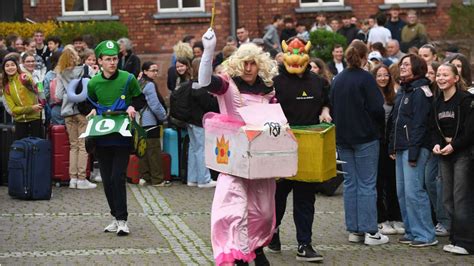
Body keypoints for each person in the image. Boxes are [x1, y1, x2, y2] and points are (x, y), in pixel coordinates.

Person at [198, 28, 278, 265]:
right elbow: (203, 81)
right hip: (233, 159)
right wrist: (208, 51)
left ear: (259, 64)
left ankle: (256, 247)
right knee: (232, 209)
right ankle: (238, 253)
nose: (248, 68)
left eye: (253, 63)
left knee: (263, 213)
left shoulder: (268, 90)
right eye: (244, 63)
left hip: (260, 160)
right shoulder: (226, 86)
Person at [268, 37, 331, 262]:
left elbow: (328, 99)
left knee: (305, 199)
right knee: (278, 197)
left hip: (309, 149)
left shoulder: (318, 82)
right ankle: (272, 234)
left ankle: (305, 244)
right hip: (281, 147)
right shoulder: (274, 83)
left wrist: (325, 109)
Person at [330, 40, 388, 246]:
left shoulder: (338, 79)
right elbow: (377, 108)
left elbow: (332, 107)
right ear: (364, 58)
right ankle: (370, 231)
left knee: (351, 184)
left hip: (343, 138)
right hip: (365, 138)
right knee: (366, 184)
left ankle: (354, 230)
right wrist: (379, 128)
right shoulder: (366, 78)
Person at [86, 40, 145, 236]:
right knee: (107, 179)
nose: (112, 62)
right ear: (100, 61)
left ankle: (122, 219)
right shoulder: (94, 82)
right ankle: (114, 216)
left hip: (122, 135)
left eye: (115, 58)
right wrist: (92, 110)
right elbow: (88, 103)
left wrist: (132, 106)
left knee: (117, 177)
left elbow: (140, 99)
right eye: (108, 59)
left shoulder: (128, 78)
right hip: (102, 137)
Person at [388, 54, 438, 247]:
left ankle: (425, 234)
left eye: (407, 64)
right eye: (402, 64)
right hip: (401, 147)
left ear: (417, 67)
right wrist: (393, 145)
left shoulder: (421, 92)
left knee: (414, 191)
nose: (402, 67)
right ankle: (411, 230)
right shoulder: (403, 90)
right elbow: (395, 121)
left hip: (414, 148)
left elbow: (420, 124)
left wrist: (415, 152)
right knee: (403, 192)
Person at [432, 63, 474, 255]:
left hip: (462, 153)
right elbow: (432, 129)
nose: (440, 78)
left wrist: (454, 145)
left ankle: (467, 243)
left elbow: (470, 131)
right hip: (444, 154)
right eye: (438, 74)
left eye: (445, 75)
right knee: (447, 198)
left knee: (461, 198)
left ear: (456, 78)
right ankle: (456, 238)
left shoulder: (466, 100)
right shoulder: (437, 102)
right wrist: (436, 144)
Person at [55, 46, 96, 190]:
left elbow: (58, 95)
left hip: (68, 112)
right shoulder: (86, 69)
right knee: (82, 145)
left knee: (73, 146)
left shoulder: (61, 73)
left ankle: (72, 179)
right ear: (76, 57)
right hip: (83, 112)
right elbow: (94, 87)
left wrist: (69, 95)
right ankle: (82, 179)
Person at [371, 65, 404, 235]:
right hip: (375, 143)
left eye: (385, 75)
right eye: (379, 75)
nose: (383, 78)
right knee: (377, 183)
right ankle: (381, 219)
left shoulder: (395, 96)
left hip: (390, 144)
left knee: (392, 182)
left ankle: (395, 217)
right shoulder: (370, 95)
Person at [186, 57, 219, 188]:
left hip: (191, 121)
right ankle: (204, 179)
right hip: (200, 121)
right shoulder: (202, 85)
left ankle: (192, 178)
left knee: (193, 149)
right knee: (201, 149)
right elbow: (208, 104)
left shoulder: (191, 83)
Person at [137, 61, 168, 186]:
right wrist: (164, 116)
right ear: (145, 71)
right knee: (154, 151)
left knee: (142, 150)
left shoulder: (139, 83)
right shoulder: (149, 85)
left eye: (156, 70)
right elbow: (154, 105)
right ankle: (157, 179)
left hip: (140, 122)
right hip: (150, 121)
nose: (155, 73)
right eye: (152, 70)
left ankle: (145, 177)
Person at [2, 56, 43, 140]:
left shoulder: (25, 76)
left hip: (35, 118)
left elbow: (40, 88)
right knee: (22, 147)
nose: (10, 67)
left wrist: (28, 80)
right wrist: (31, 108)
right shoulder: (6, 86)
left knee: (37, 147)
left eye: (12, 65)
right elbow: (13, 109)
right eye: (7, 65)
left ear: (17, 66)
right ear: (4, 69)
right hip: (19, 120)